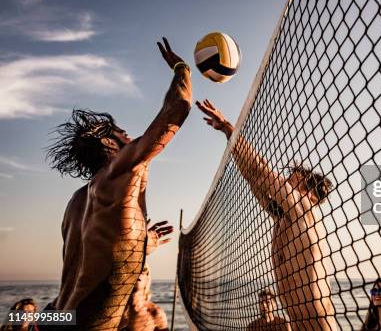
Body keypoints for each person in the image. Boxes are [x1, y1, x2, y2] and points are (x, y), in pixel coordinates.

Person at [45, 37, 192, 329]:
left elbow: (91, 259)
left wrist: (141, 243)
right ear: (106, 142)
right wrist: (181, 68)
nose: (130, 136)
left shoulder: (76, 201)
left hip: (53, 317)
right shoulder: (120, 169)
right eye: (123, 133)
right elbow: (177, 109)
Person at [197, 99, 336, 331]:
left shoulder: (304, 209)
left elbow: (260, 171)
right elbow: (255, 179)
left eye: (292, 183)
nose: (284, 186)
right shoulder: (284, 218)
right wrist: (227, 135)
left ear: (309, 194)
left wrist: (229, 128)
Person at [119, 220, 173, 331]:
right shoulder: (110, 309)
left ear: (148, 279)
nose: (137, 272)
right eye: (133, 270)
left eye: (142, 270)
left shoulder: (155, 314)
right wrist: (136, 246)